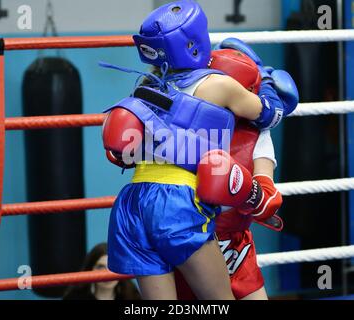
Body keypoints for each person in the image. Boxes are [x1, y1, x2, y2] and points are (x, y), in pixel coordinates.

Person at [102, 0, 298, 300]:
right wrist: (266, 77)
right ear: (194, 42)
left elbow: (123, 148)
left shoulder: (145, 85)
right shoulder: (219, 85)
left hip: (132, 203)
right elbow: (270, 112)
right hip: (176, 204)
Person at [175, 47, 284, 300]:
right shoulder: (182, 127)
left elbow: (267, 201)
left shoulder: (257, 135)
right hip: (189, 240)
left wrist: (241, 189)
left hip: (236, 246)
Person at [63, 243, 141, 300]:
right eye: (100, 267)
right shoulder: (74, 297)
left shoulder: (133, 296)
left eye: (113, 266)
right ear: (90, 269)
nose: (107, 274)